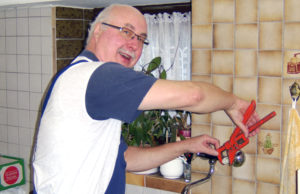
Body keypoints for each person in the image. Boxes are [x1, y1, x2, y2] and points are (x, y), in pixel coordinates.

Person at [32, 4, 260, 194]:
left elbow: (125, 158)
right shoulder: (97, 76)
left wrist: (188, 145)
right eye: (126, 31)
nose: (134, 44)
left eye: (141, 39)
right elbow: (194, 95)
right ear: (98, 31)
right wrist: (233, 103)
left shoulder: (80, 78)